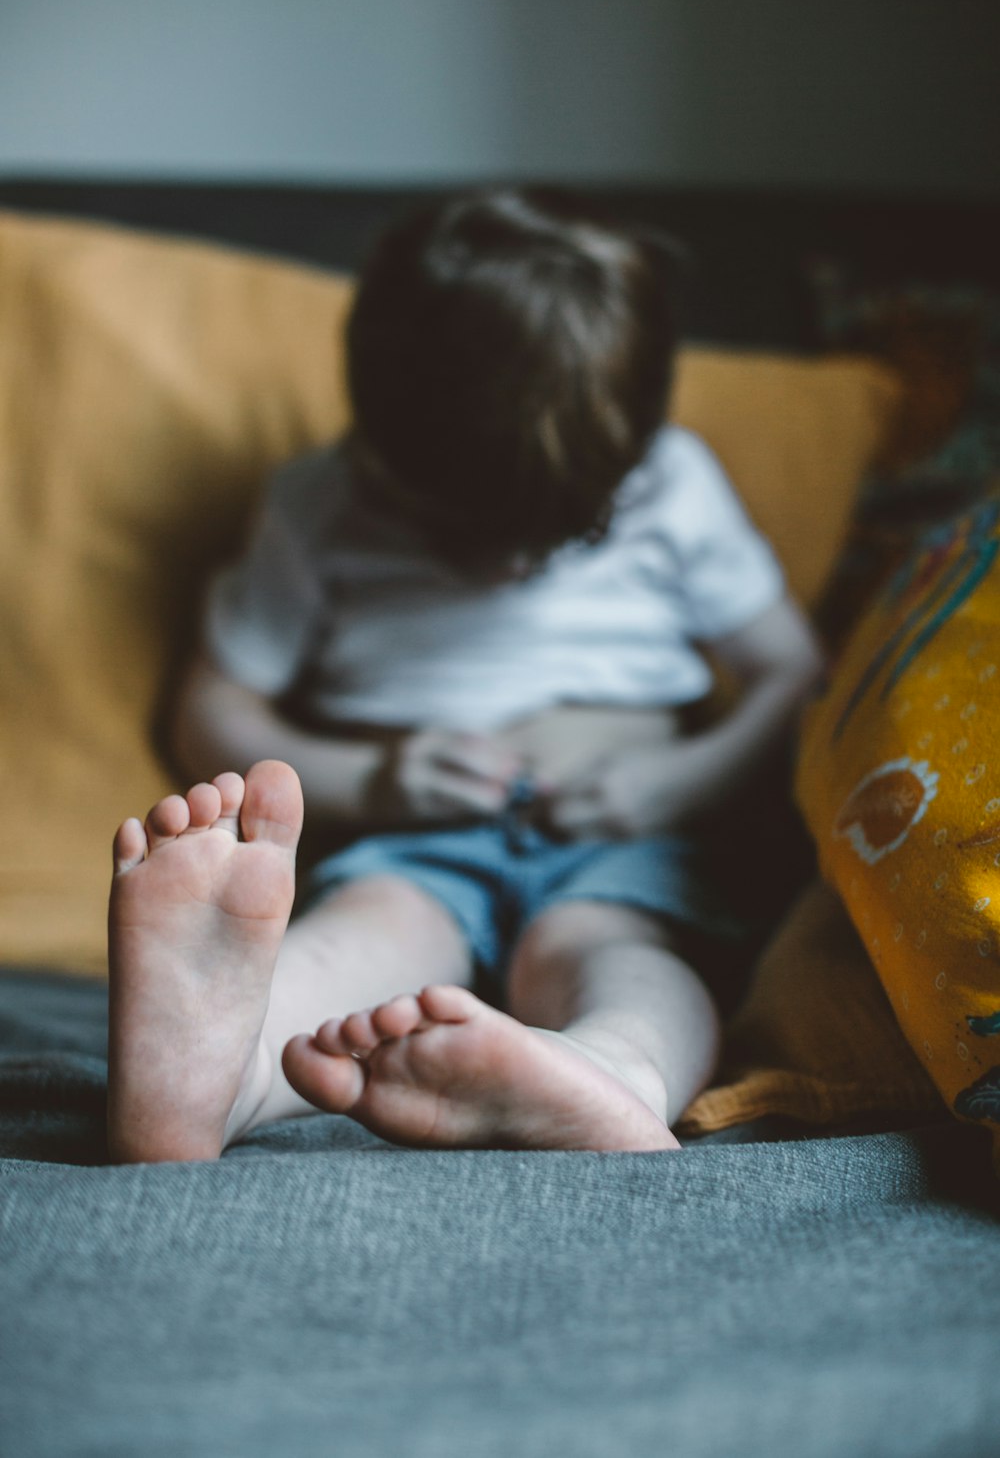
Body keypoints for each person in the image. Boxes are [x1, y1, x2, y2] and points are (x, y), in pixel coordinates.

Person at [106, 189, 822, 1163]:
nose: (510, 570)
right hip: (416, 835)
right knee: (368, 933)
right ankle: (219, 1078)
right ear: (382, 451)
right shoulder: (319, 505)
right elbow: (212, 706)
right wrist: (378, 779)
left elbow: (787, 669)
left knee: (607, 951)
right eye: (450, 535)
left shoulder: (672, 481)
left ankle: (612, 1075)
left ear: (623, 466)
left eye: (572, 533)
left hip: (626, 835)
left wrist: (683, 777)